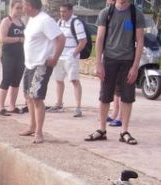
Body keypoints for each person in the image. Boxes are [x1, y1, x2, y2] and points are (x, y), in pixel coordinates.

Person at [85, 0, 145, 145]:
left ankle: (124, 131)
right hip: (109, 60)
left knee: (127, 97)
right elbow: (99, 40)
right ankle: (101, 129)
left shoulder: (136, 14)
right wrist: (98, 63)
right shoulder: (106, 13)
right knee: (105, 95)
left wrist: (135, 66)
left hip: (128, 61)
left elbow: (140, 41)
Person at [19, 0, 65, 144]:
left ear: (31, 6)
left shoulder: (46, 20)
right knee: (28, 96)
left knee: (37, 98)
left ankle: (39, 132)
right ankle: (32, 126)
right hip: (30, 64)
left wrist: (55, 57)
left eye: (24, 5)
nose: (22, 7)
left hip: (41, 64)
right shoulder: (32, 20)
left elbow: (61, 38)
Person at [48, 3, 87, 118]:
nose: (62, 14)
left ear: (70, 11)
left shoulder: (76, 23)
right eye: (61, 12)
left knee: (74, 81)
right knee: (59, 80)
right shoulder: (59, 22)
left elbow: (83, 41)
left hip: (70, 57)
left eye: (64, 12)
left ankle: (78, 107)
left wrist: (74, 53)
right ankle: (59, 104)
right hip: (60, 56)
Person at [0, 0, 25, 115]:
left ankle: (12, 106)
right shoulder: (6, 21)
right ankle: (0, 107)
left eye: (21, 8)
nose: (19, 10)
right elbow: (2, 39)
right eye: (17, 8)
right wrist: (18, 39)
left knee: (16, 81)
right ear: (12, 8)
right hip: (9, 54)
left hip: (21, 54)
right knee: (6, 79)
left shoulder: (21, 22)